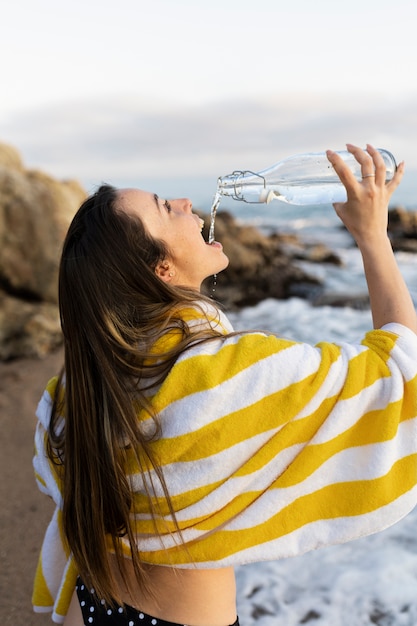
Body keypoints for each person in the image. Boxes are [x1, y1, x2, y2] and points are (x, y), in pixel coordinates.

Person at [32, 144, 417, 626]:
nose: (186, 204)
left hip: (89, 608)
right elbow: (400, 374)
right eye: (165, 207)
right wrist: (373, 237)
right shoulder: (226, 375)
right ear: (162, 270)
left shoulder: (83, 386)